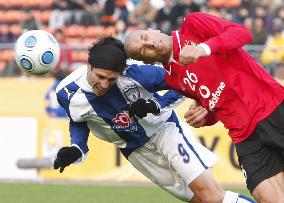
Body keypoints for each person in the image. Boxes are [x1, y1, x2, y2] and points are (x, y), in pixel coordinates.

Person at [53, 37, 255, 203]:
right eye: (101, 76)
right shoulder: (67, 93)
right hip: (136, 152)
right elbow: (79, 119)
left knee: (211, 197)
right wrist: (77, 147)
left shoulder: (136, 73)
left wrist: (156, 104)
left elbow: (183, 80)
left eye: (112, 79)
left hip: (165, 131)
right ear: (89, 66)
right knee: (201, 200)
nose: (105, 84)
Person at [124, 12, 284, 203]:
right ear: (147, 61)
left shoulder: (193, 24)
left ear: (153, 30)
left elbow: (242, 33)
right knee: (269, 199)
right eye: (143, 50)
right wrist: (205, 117)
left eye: (144, 37)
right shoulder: (172, 79)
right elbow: (216, 103)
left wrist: (204, 48)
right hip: (244, 136)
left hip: (272, 109)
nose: (149, 44)